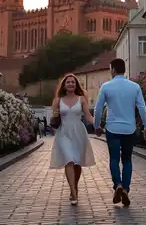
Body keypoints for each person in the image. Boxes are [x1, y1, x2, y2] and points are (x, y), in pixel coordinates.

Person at [94, 58, 146, 207]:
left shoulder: (106, 87)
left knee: (114, 159)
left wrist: (97, 126)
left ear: (113, 69)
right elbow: (142, 108)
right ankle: (125, 189)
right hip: (129, 129)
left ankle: (117, 185)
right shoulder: (135, 87)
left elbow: (98, 108)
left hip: (112, 128)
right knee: (127, 160)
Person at [49, 73, 96, 205]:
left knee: (77, 163)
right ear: (64, 85)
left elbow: (88, 116)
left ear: (76, 85)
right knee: (69, 160)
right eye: (68, 82)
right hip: (64, 132)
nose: (71, 84)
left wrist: (97, 125)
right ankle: (74, 193)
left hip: (79, 133)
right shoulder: (58, 100)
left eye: (73, 82)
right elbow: (54, 117)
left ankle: (74, 187)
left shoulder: (81, 99)